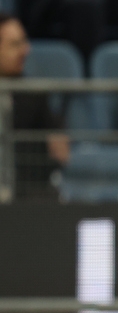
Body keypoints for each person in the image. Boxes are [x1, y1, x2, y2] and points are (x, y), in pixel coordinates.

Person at [0, 13, 71, 199]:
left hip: (26, 191)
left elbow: (60, 150)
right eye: (15, 45)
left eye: (24, 42)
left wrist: (58, 140)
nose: (26, 50)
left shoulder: (33, 93)